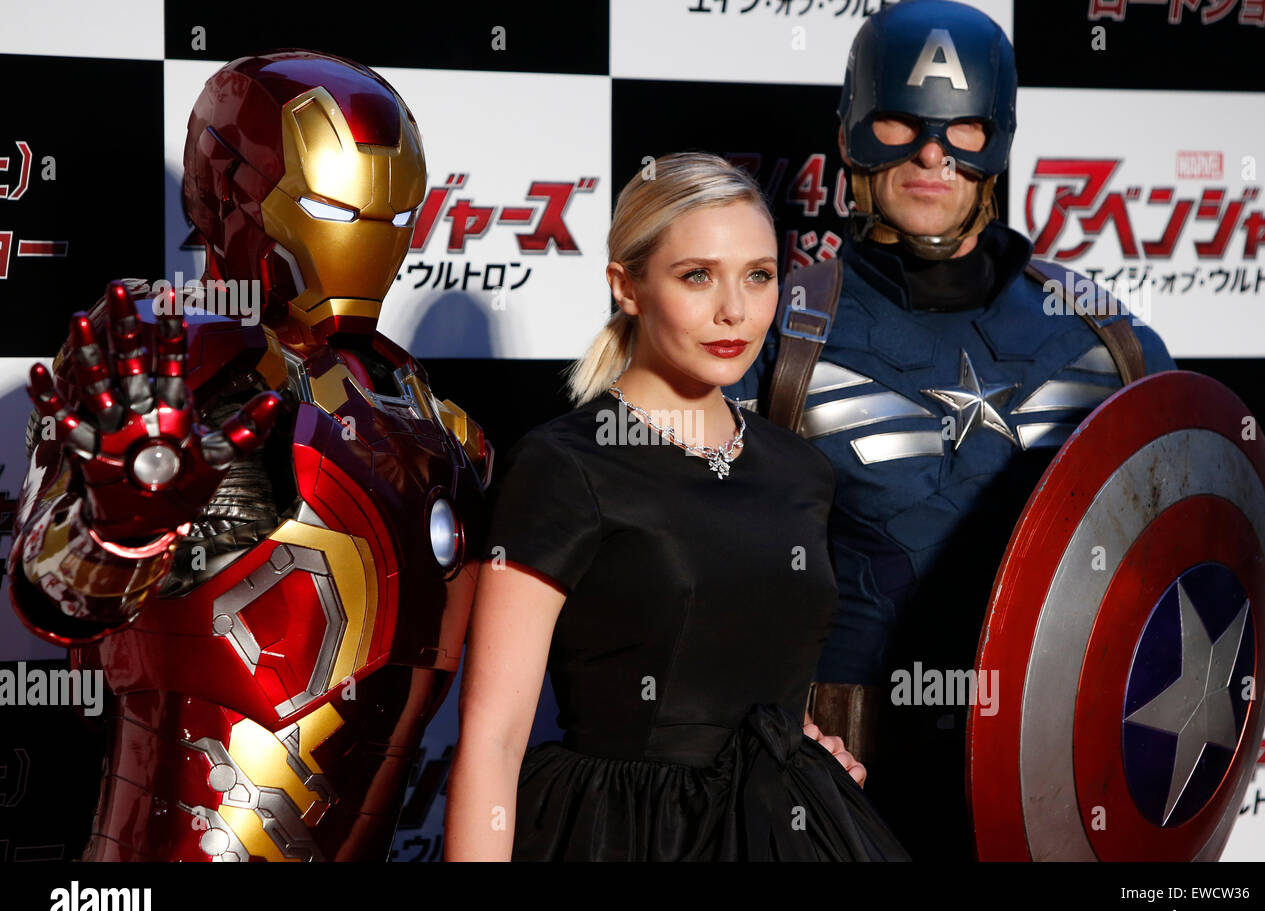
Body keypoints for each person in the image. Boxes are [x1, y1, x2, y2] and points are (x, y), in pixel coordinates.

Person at [8, 50, 490, 861]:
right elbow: (54, 593)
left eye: (393, 217)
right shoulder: (178, 357)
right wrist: (122, 527)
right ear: (235, 194)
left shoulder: (435, 421)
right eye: (330, 206)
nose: (367, 240)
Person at [726, 0, 1176, 860]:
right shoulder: (778, 328)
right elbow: (697, 565)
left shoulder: (1103, 337)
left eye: (963, 129)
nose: (931, 155)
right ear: (854, 135)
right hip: (841, 784)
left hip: (1057, 774)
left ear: (998, 140)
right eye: (900, 123)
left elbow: (1177, 553)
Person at [444, 152, 908, 861]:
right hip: (626, 834)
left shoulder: (802, 472)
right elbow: (494, 737)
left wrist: (805, 747)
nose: (735, 309)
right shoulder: (565, 465)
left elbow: (768, 681)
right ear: (626, 286)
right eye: (697, 276)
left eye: (758, 275)